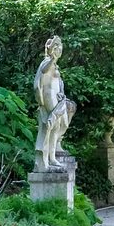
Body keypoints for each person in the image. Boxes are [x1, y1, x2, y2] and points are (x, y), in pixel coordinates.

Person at [34, 36, 74, 172]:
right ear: (51, 49)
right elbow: (44, 71)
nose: (58, 50)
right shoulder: (47, 62)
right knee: (49, 128)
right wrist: (51, 58)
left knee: (56, 128)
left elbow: (57, 82)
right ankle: (43, 162)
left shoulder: (55, 65)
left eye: (59, 48)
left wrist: (62, 92)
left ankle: (52, 158)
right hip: (49, 99)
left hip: (57, 99)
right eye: (55, 48)